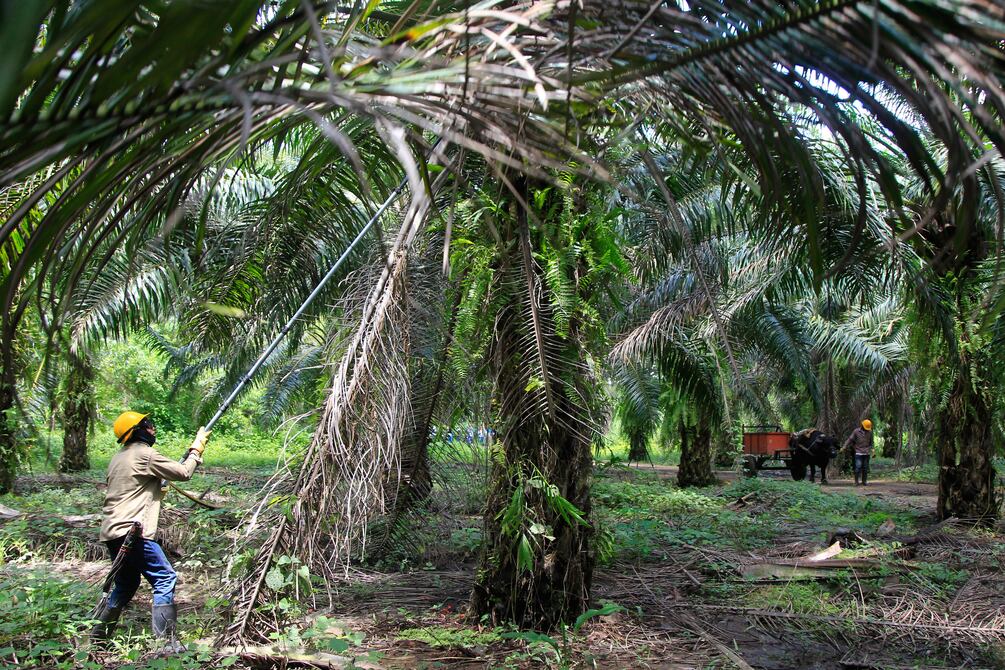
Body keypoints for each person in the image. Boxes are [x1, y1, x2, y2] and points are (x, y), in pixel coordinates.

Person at [91, 411, 210, 652]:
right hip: (133, 533)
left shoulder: (118, 457)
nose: (153, 429)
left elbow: (133, 488)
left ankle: (98, 637)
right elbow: (184, 473)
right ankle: (166, 644)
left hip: (112, 532)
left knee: (125, 584)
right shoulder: (144, 454)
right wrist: (196, 451)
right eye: (148, 424)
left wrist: (157, 488)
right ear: (137, 431)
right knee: (165, 578)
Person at [843, 419, 873, 486]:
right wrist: (844, 446)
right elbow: (850, 439)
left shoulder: (870, 432)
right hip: (858, 452)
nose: (867, 429)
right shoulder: (856, 431)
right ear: (862, 425)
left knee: (865, 468)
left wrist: (872, 449)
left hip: (866, 453)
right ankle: (856, 482)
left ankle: (864, 482)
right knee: (858, 467)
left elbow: (871, 442)